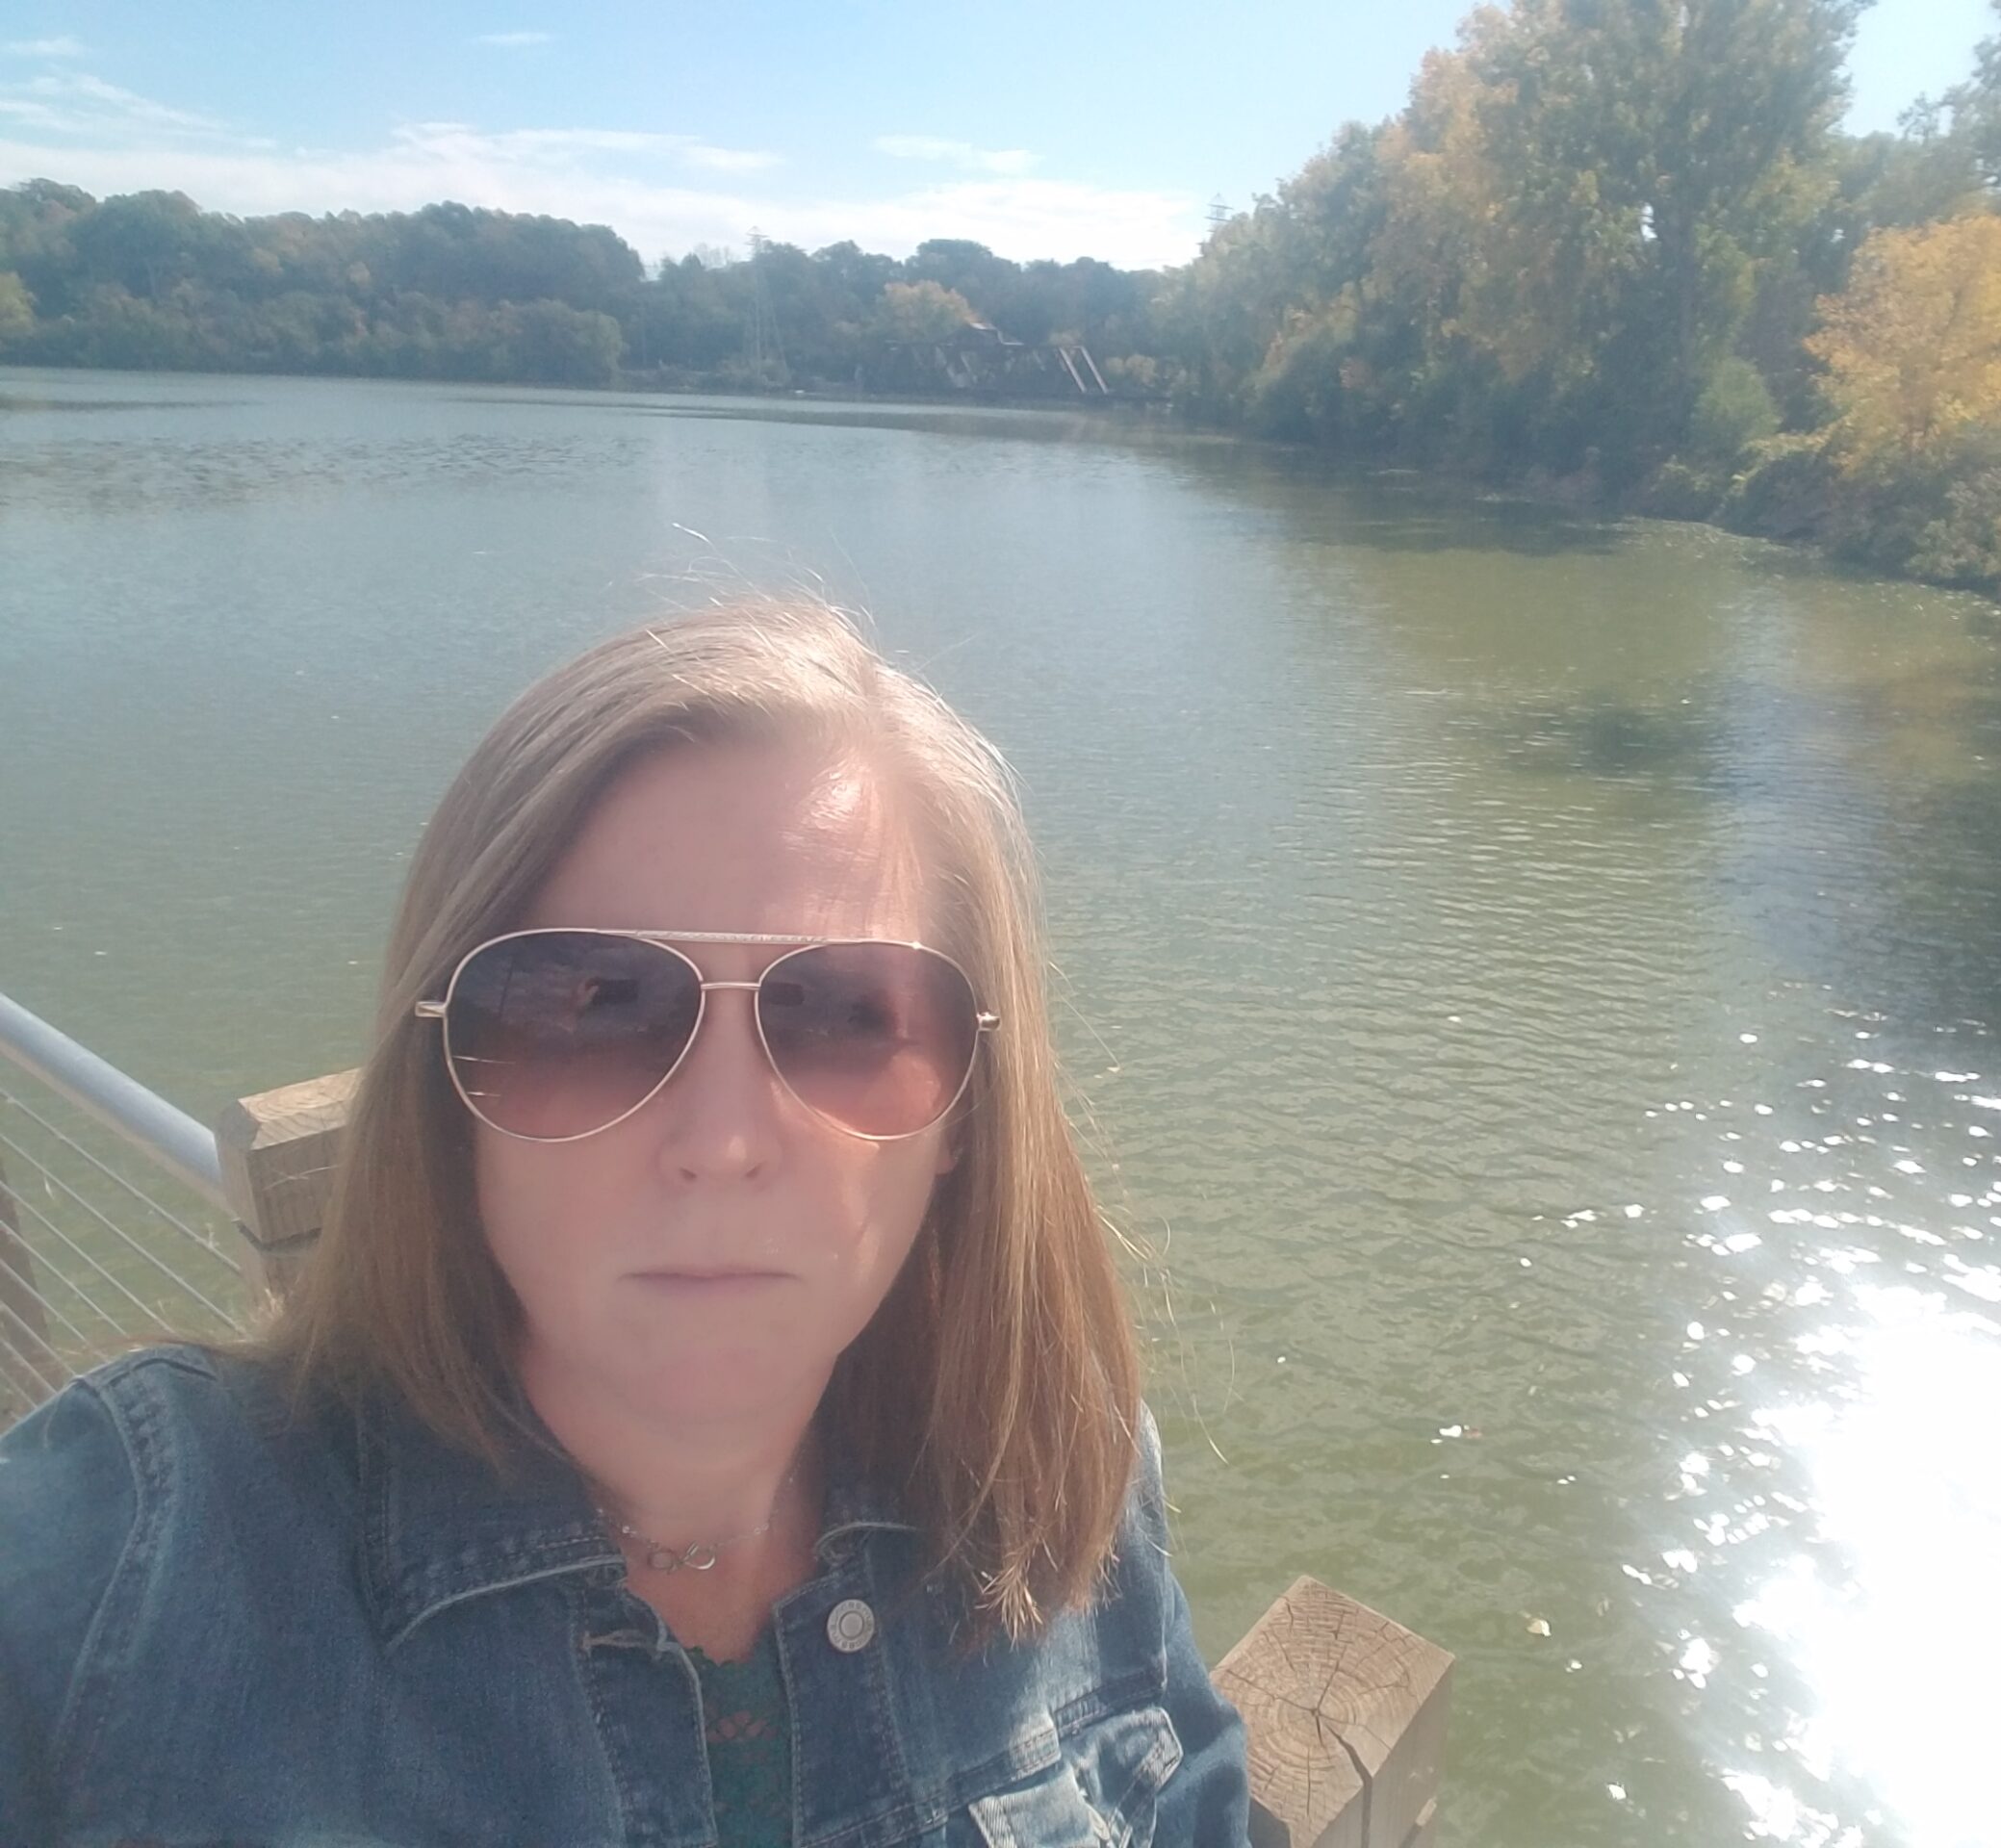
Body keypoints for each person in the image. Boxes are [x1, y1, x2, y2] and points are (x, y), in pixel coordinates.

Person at [0, 599, 1251, 1846]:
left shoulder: (1059, 1475)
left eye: (844, 1016)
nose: (721, 1141)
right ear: (447, 1089)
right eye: (591, 1005)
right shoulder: (126, 1566)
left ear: (969, 1108)